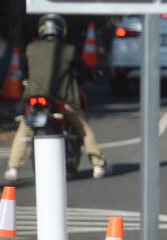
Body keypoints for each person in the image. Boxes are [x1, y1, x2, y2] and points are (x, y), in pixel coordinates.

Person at [5, 15, 106, 181]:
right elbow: (84, 71)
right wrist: (92, 76)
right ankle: (97, 164)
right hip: (63, 99)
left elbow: (25, 72)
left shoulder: (30, 48)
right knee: (83, 128)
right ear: (61, 30)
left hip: (34, 99)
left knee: (24, 129)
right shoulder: (69, 50)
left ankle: (13, 168)